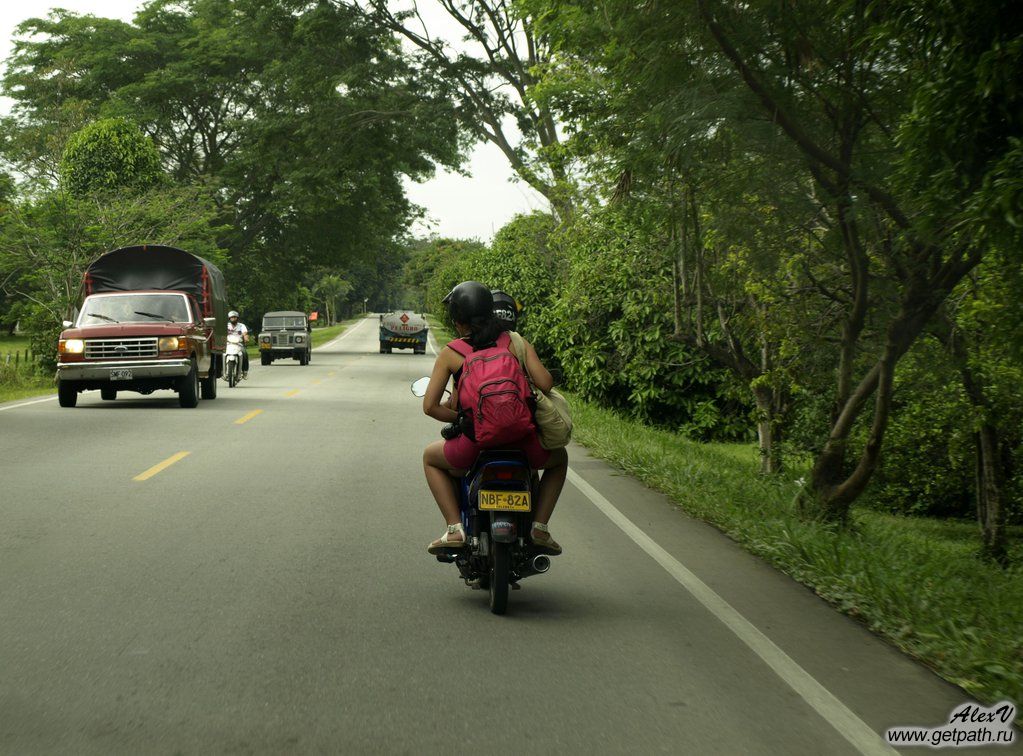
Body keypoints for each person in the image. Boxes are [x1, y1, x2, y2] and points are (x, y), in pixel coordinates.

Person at [421, 281, 567, 555]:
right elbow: (546, 383)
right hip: (523, 441)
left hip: (476, 443)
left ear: (457, 321)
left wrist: (464, 418)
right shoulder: (516, 341)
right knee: (560, 459)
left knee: (430, 458)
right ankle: (540, 527)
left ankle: (454, 529)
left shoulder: (452, 353)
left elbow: (429, 407)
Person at [227, 310, 249, 379]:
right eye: (232, 317)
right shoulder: (226, 326)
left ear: (237, 318)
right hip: (228, 344)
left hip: (239, 344)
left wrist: (245, 338)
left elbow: (245, 333)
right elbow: (221, 334)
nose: (233, 319)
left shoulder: (241, 326)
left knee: (245, 353)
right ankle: (220, 370)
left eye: (235, 317)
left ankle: (245, 371)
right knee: (219, 354)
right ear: (229, 318)